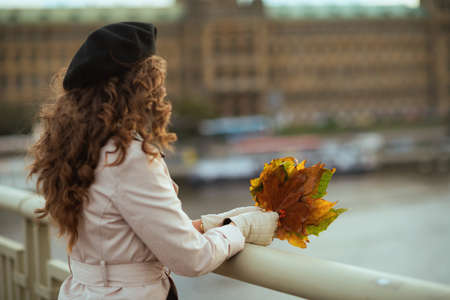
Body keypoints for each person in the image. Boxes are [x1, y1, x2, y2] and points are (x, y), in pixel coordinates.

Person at [28, 22, 279, 300]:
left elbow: (117, 232)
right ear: (139, 87)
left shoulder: (77, 148)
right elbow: (192, 259)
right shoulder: (128, 157)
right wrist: (240, 229)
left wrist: (210, 224)